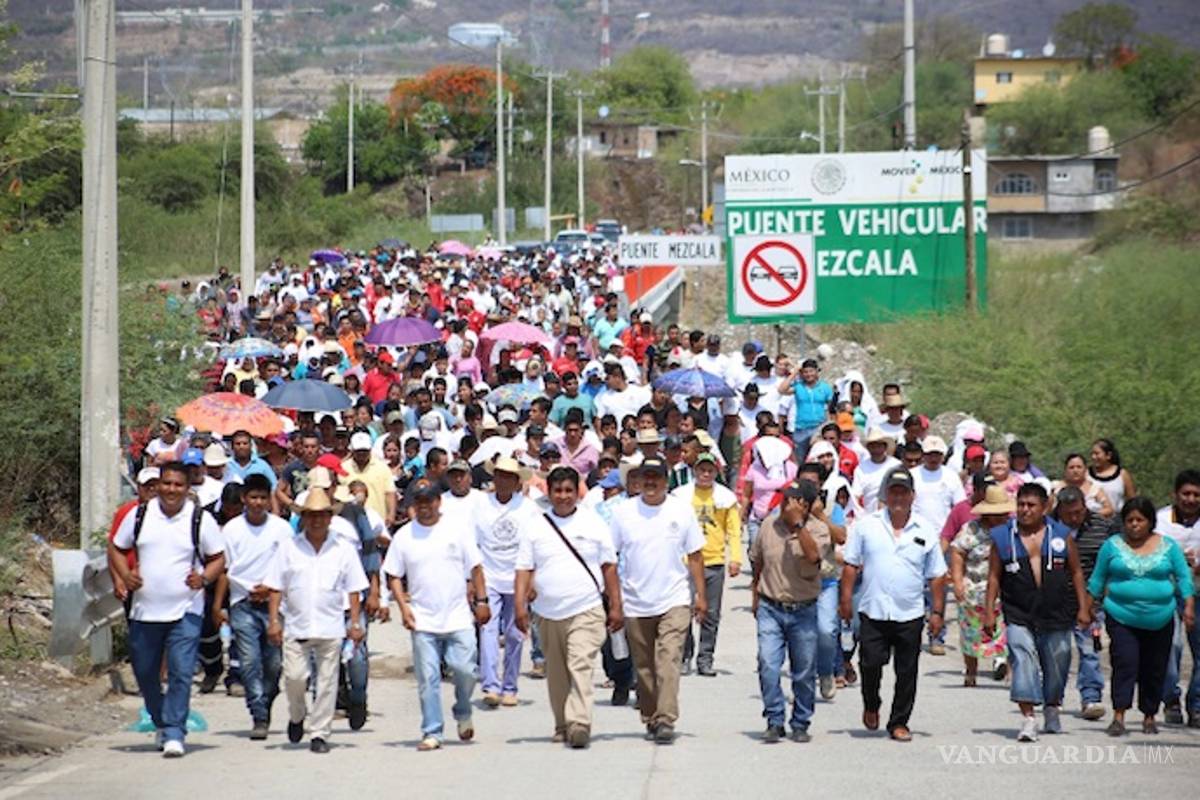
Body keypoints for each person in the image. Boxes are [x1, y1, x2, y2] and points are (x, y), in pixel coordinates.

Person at [108, 461, 226, 758]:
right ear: (158, 485)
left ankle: (175, 731)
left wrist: (204, 578)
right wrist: (125, 575)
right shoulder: (140, 515)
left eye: (178, 485)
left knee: (181, 671)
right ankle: (161, 720)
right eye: (167, 484)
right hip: (145, 611)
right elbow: (117, 548)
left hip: (186, 609)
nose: (172, 490)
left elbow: (218, 558)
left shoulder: (199, 519)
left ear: (188, 489)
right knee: (145, 672)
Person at [514, 466, 625, 748]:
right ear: (549, 493)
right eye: (558, 491)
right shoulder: (535, 525)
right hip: (548, 612)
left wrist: (616, 605)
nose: (563, 497)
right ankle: (562, 724)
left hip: (586, 608)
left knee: (580, 663)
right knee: (557, 673)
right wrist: (519, 607)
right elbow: (524, 568)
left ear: (578, 493)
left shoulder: (593, 523)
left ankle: (579, 722)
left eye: (569, 491)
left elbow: (609, 567)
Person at [383, 478, 491, 751]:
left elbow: (476, 568)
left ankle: (463, 708)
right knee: (428, 678)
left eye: (429, 501)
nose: (425, 507)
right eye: (419, 503)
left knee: (465, 670)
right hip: (422, 618)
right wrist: (403, 608)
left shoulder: (457, 530)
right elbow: (393, 575)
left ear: (438, 502)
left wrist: (482, 601)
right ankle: (432, 731)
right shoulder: (405, 536)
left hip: (457, 615)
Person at [839, 467, 946, 742]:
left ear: (912, 496)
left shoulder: (925, 530)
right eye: (894, 492)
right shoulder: (867, 525)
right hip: (873, 609)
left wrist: (937, 611)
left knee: (907, 671)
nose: (898, 497)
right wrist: (845, 599)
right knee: (870, 663)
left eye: (904, 492)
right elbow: (851, 564)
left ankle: (899, 722)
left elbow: (936, 575)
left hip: (909, 612)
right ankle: (871, 703)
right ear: (886, 494)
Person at [608, 458, 707, 744]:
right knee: (645, 668)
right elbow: (610, 558)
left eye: (656, 477)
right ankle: (651, 715)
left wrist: (700, 596)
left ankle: (666, 719)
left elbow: (696, 555)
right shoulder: (624, 513)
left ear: (666, 480)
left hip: (674, 599)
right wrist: (615, 600)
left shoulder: (680, 510)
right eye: (645, 477)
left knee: (668, 661)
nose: (650, 482)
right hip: (636, 601)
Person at [984, 483, 1089, 742]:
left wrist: (1084, 607)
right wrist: (989, 611)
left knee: (1059, 659)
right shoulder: (1002, 537)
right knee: (1023, 658)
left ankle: (1052, 705)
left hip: (1057, 610)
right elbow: (994, 577)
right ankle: (1029, 717)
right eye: (1021, 504)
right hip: (1018, 610)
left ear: (1045, 508)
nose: (1025, 510)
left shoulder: (1061, 535)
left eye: (1031, 505)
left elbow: (1075, 572)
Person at [265, 488, 367, 754]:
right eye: (311, 516)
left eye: (322, 515)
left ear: (330, 518)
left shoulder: (343, 549)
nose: (317, 520)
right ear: (304, 518)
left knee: (327, 683)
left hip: (330, 625)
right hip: (296, 625)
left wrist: (355, 623)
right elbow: (276, 586)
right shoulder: (288, 547)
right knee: (295, 678)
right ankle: (297, 715)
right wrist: (274, 620)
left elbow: (354, 588)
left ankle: (319, 733)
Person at [1088, 496, 1196, 737]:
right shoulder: (1112, 546)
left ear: (1150, 522)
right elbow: (1097, 579)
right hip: (1121, 614)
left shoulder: (1168, 546)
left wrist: (1188, 606)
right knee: (1125, 662)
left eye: (1140, 520)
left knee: (1155, 667)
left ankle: (1149, 715)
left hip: (1161, 617)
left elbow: (1183, 578)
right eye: (1129, 520)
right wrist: (1086, 609)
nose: (1134, 525)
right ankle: (1119, 715)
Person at [213, 474, 293, 739]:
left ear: (269, 499)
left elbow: (289, 567)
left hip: (274, 604)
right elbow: (224, 569)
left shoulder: (282, 529)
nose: (257, 503)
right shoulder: (231, 530)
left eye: (262, 497)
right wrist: (217, 605)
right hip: (242, 602)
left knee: (273, 663)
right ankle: (258, 713)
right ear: (244, 499)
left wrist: (270, 588)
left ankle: (267, 697)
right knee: (248, 661)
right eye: (253, 497)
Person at [751, 482, 830, 743]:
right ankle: (774, 719)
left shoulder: (818, 530)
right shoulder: (768, 526)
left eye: (792, 501)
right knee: (768, 664)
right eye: (784, 500)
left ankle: (800, 721)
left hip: (804, 610)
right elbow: (758, 561)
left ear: (805, 505)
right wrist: (755, 595)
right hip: (770, 606)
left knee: (804, 670)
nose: (785, 505)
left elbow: (813, 557)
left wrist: (798, 525)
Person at [671, 452, 742, 677]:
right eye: (702, 470)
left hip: (714, 561)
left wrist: (736, 558)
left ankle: (705, 658)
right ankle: (685, 655)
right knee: (683, 611)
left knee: (711, 614)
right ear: (695, 471)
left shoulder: (725, 498)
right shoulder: (680, 496)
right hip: (686, 562)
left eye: (710, 470)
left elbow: (733, 530)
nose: (705, 474)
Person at [474, 457, 536, 707]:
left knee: (514, 633)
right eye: (499, 475)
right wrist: (472, 581)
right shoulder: (481, 505)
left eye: (508, 477)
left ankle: (510, 686)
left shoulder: (528, 508)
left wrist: (533, 581)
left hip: (517, 577)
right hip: (489, 576)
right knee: (487, 630)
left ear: (516, 481)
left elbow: (534, 546)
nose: (503, 481)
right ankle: (490, 685)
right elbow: (473, 542)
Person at [1053, 485, 1117, 721]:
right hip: (1055, 601)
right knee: (1057, 652)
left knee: (1089, 651)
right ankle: (1053, 696)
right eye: (1068, 513)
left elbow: (1111, 563)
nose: (1074, 518)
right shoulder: (1047, 527)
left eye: (1078, 512)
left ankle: (1091, 697)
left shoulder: (1102, 527)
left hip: (1092, 602)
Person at [948, 485, 1011, 687]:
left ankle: (1007, 669)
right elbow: (958, 552)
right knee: (971, 633)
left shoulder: (1011, 528)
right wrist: (958, 581)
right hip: (975, 589)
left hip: (1003, 591)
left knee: (1005, 633)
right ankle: (971, 671)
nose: (1002, 516)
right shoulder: (971, 529)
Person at [1156, 469, 1200, 726]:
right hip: (1167, 591)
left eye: (1196, 494)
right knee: (1170, 646)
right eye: (1186, 493)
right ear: (1176, 494)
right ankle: (1170, 699)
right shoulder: (1161, 521)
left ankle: (1196, 704)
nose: (1191, 499)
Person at [777, 358, 832, 462]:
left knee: (818, 459)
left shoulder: (825, 388)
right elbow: (781, 390)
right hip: (800, 429)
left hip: (818, 428)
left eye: (811, 371)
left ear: (816, 371)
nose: (808, 374)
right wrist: (795, 372)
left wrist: (828, 425)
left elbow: (831, 408)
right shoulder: (798, 386)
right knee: (800, 460)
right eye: (805, 372)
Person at [851, 428, 900, 513]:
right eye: (873, 446)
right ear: (868, 448)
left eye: (879, 446)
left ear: (885, 447)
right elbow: (856, 495)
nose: (876, 450)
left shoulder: (896, 465)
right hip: (870, 514)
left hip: (895, 513)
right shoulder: (861, 468)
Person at [1052, 453, 1114, 518]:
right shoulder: (1055, 487)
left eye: (1079, 467)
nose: (1075, 470)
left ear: (1085, 469)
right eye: (1071, 467)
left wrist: (1089, 516)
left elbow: (1109, 509)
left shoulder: (1095, 488)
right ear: (1065, 470)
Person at [1089, 438, 1135, 514]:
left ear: (1108, 455)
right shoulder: (1086, 474)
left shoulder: (1122, 474)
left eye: (1097, 454)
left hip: (1117, 521)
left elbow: (1132, 501)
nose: (1093, 457)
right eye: (1092, 454)